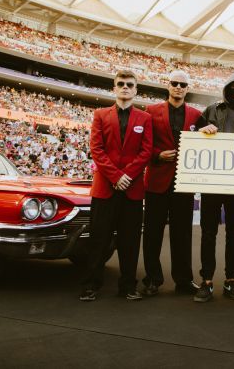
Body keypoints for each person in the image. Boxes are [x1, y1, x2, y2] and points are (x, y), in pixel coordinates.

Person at [79, 70, 152, 302]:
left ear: (136, 89)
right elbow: (96, 149)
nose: (125, 87)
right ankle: (91, 284)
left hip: (132, 189)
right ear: (114, 87)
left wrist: (127, 175)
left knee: (130, 242)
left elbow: (146, 152)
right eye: (121, 84)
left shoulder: (145, 118)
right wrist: (115, 176)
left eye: (130, 84)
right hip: (105, 188)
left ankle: (128, 286)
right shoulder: (100, 114)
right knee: (98, 240)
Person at [193, 70, 234, 302]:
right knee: (208, 233)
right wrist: (202, 131)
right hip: (212, 182)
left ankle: (231, 280)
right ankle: (207, 281)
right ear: (227, 88)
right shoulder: (212, 110)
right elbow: (194, 137)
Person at [141, 70, 202, 296]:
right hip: (157, 180)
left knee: (182, 234)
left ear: (187, 88)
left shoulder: (197, 115)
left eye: (182, 84)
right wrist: (157, 156)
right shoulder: (151, 111)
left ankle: (183, 280)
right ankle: (152, 279)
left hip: (183, 183)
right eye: (174, 83)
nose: (178, 87)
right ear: (168, 86)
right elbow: (143, 145)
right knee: (152, 234)